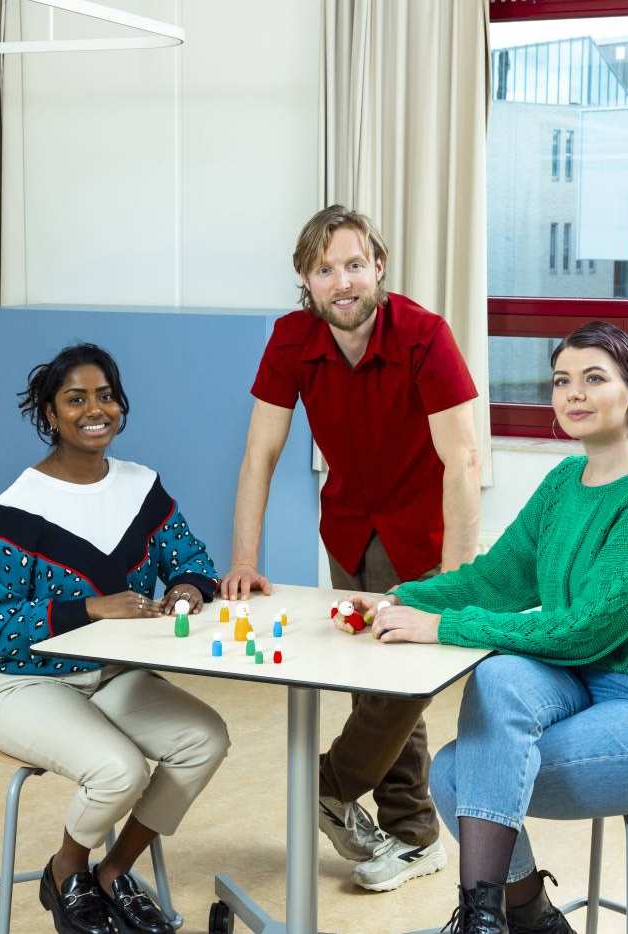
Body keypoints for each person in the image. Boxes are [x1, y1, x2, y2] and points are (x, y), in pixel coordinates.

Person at [359, 322, 628, 933]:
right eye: (563, 381)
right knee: (497, 684)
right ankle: (507, 917)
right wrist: (397, 596)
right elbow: (499, 579)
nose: (574, 395)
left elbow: (583, 631)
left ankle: (508, 917)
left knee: (461, 774)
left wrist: (444, 626)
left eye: (594, 379)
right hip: (582, 685)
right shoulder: (564, 482)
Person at [221, 204, 482, 891]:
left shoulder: (424, 335)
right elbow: (259, 453)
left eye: (354, 264)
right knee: (378, 682)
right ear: (305, 280)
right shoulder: (290, 338)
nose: (342, 282)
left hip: (422, 529)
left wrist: (455, 578)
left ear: (379, 267)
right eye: (324, 268)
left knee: (403, 680)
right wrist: (245, 560)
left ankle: (325, 785)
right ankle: (414, 835)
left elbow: (463, 462)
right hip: (347, 526)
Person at [0, 343, 230, 934]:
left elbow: (192, 558)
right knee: (120, 770)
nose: (94, 409)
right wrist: (90, 608)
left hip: (110, 677)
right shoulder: (20, 505)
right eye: (75, 399)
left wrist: (185, 590)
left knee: (204, 738)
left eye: (105, 395)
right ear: (50, 415)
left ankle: (111, 873)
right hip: (22, 684)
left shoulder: (141, 487)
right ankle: (64, 871)